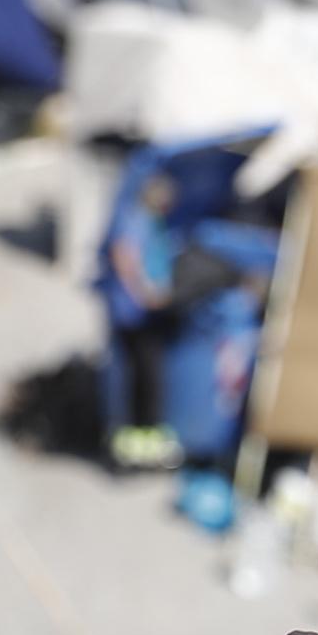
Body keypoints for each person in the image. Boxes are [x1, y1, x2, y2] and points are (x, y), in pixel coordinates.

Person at [104, 171, 187, 470]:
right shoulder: (136, 219)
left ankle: (143, 443)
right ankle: (137, 445)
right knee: (144, 378)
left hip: (144, 312)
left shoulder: (153, 222)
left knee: (146, 378)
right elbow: (124, 256)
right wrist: (145, 292)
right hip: (135, 314)